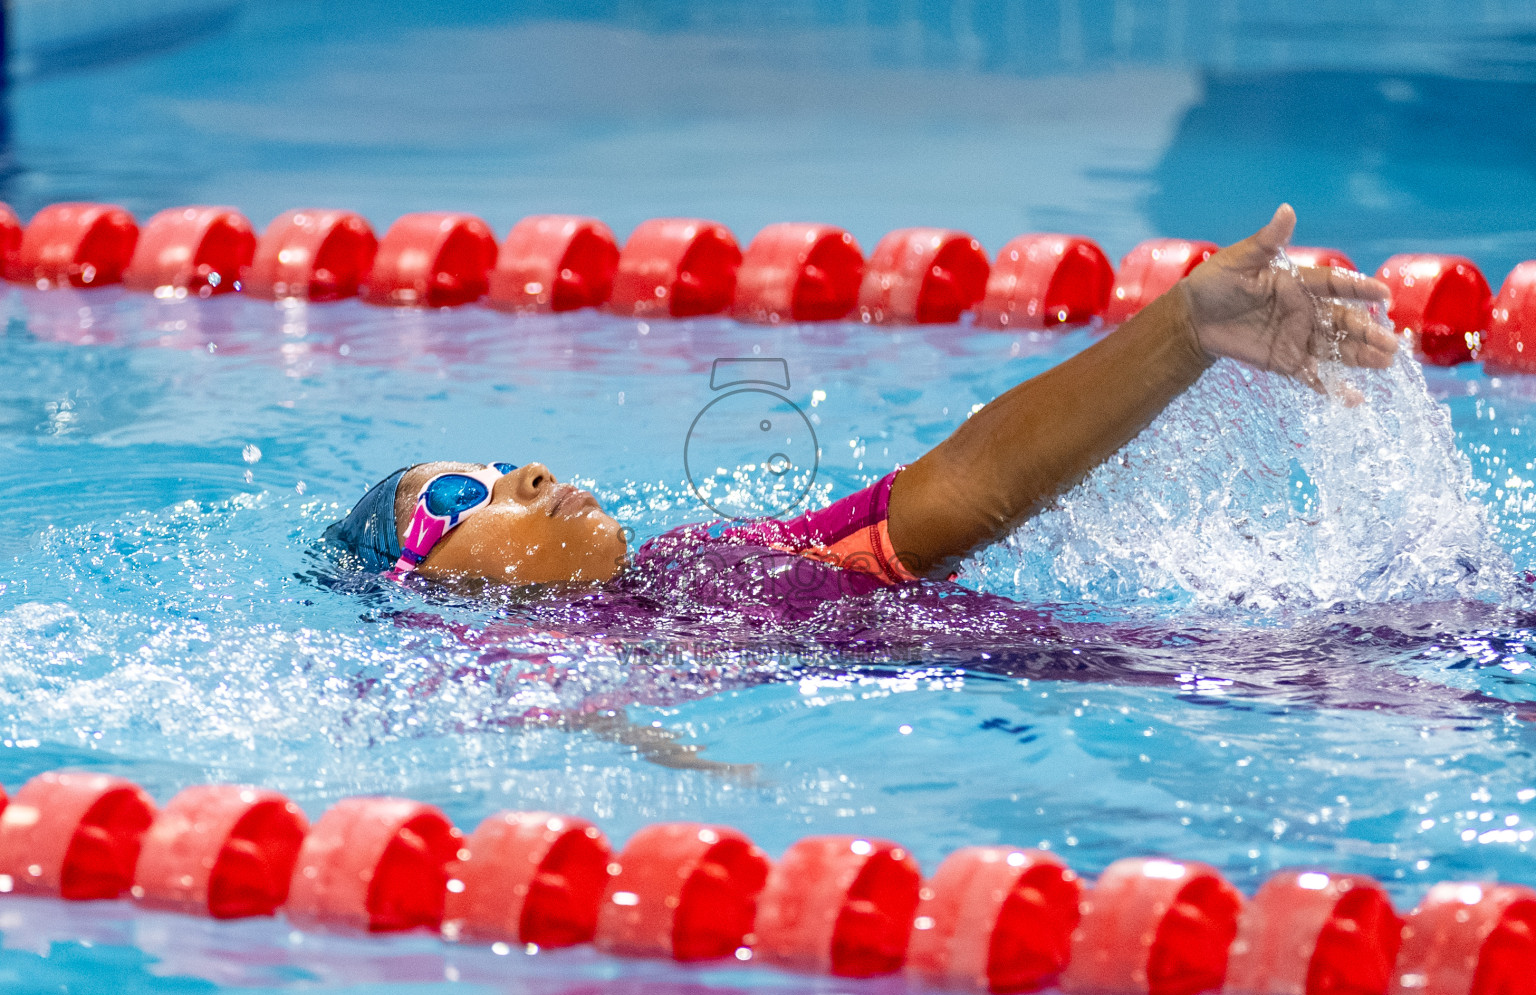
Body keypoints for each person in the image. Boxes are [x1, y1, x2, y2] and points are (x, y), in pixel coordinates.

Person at [323, 205, 1397, 608]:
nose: (528, 473)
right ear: (424, 588)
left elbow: (967, 489)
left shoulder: (714, 560)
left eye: (506, 461)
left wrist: (1185, 330)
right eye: (461, 495)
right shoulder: (501, 684)